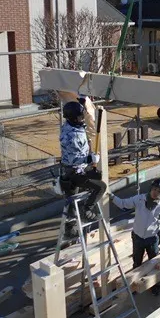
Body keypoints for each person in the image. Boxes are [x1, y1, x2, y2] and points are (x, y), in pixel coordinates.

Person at [109, 178, 160, 294]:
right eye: (154, 189)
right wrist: (112, 197)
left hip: (152, 239)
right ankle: (134, 286)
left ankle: (154, 285)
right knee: (137, 263)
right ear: (151, 188)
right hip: (138, 237)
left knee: (153, 264)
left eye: (158, 191)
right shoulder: (139, 199)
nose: (155, 192)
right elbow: (123, 204)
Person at [59, 99, 107, 239]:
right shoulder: (73, 136)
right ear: (73, 118)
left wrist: (83, 101)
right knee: (100, 187)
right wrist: (90, 159)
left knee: (73, 202)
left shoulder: (69, 126)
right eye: (80, 116)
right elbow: (75, 159)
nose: (82, 118)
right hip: (75, 172)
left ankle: (72, 229)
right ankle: (87, 210)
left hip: (72, 170)